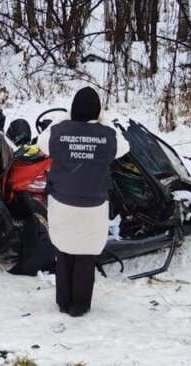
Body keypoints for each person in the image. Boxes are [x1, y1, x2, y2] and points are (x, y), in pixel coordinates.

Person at [36, 87, 129, 317]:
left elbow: (41, 142)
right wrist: (105, 123)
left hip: (62, 204)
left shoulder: (58, 132)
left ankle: (63, 301)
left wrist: (64, 118)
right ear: (98, 112)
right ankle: (79, 305)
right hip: (93, 207)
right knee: (86, 253)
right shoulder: (107, 136)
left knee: (65, 250)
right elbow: (125, 147)